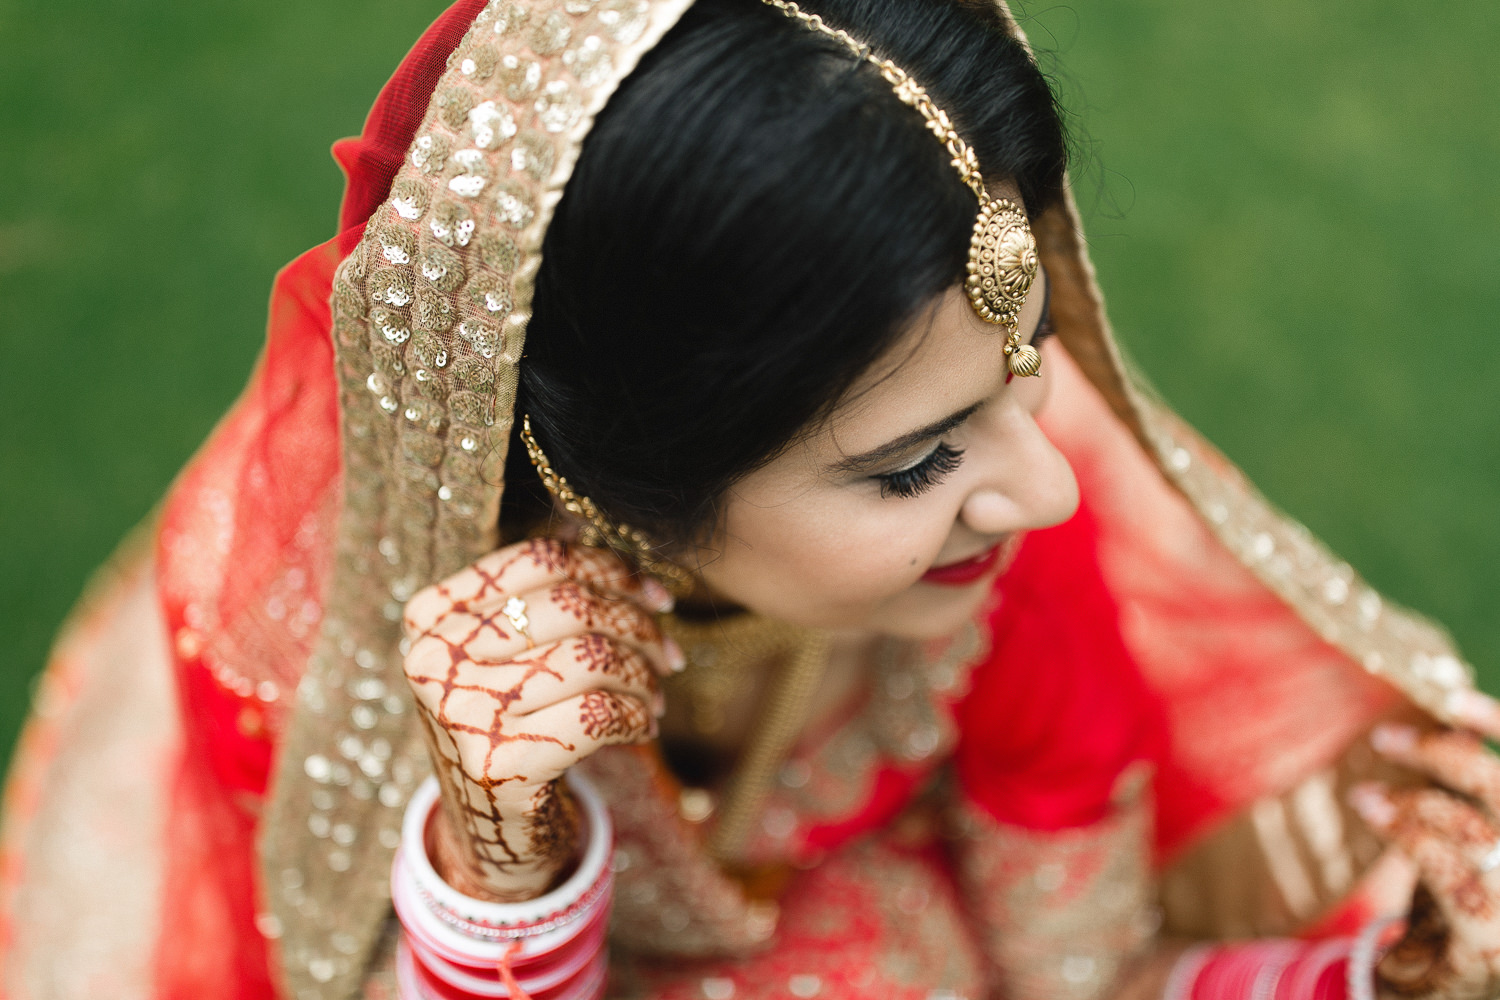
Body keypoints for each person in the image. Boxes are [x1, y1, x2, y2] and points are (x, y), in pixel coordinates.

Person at [3, 0, 1498, 998]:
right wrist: (494, 852)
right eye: (917, 461)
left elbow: (1095, 981)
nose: (1046, 487)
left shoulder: (1011, 571)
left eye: (1033, 362)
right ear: (612, 481)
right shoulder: (333, 641)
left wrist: (1387, 972)